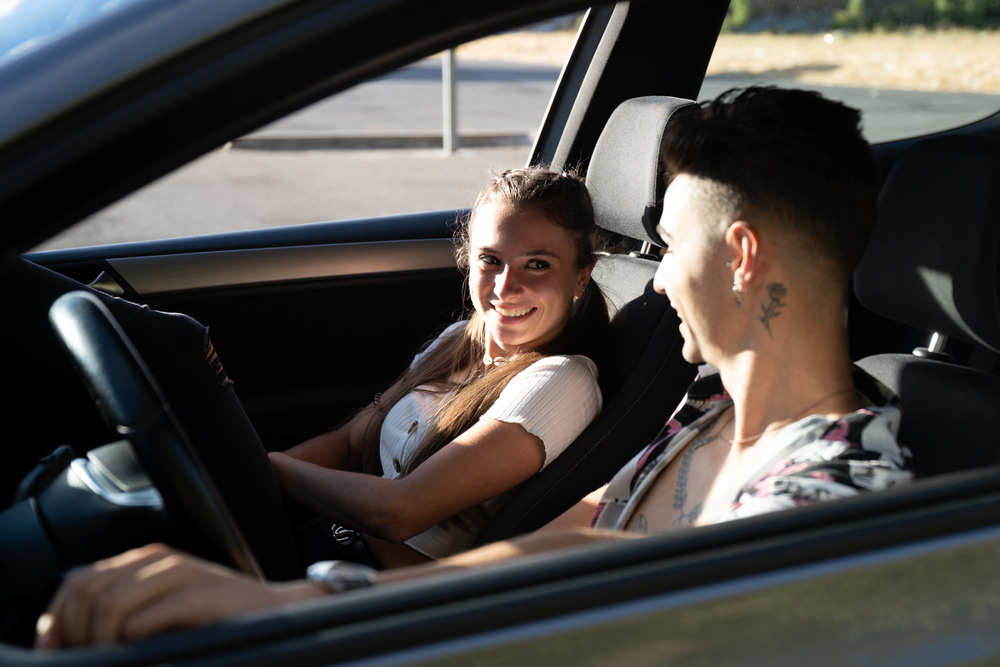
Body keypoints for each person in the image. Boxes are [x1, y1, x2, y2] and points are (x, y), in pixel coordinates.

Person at [33, 87, 916, 649]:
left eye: (672, 244)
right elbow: (564, 547)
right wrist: (307, 604)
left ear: (743, 254)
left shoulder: (827, 495)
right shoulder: (707, 419)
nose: (657, 271)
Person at [267, 166, 610, 569]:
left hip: (370, 588)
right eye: (491, 260)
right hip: (324, 541)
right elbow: (350, 442)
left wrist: (270, 466)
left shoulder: (561, 382)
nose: (504, 287)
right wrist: (254, 484)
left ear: (580, 276)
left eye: (537, 264)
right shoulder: (458, 339)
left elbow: (398, 512)